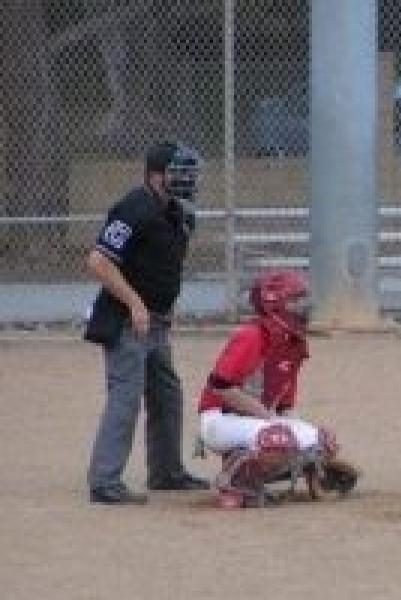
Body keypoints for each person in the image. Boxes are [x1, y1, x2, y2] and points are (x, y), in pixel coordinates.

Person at [85, 141, 208, 505]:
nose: (188, 179)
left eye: (190, 172)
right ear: (157, 175)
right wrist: (136, 304)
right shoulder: (133, 208)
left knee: (167, 393)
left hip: (156, 322)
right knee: (126, 396)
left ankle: (166, 472)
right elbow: (98, 261)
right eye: (179, 172)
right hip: (126, 320)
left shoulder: (179, 213)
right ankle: (104, 481)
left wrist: (165, 309)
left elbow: (165, 266)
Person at [197, 270, 358, 508]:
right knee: (278, 438)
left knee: (323, 441)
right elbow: (221, 388)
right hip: (220, 420)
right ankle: (233, 481)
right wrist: (270, 421)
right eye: (294, 300)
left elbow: (284, 409)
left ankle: (256, 468)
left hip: (256, 421)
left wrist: (311, 450)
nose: (303, 307)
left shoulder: (293, 342)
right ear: (274, 304)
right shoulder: (252, 335)